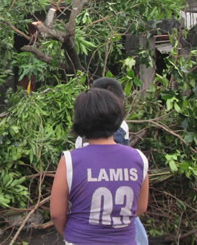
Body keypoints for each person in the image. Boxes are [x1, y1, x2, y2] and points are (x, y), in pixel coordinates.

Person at [51, 88, 150, 244]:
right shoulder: (138, 158)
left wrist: (71, 234)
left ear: (80, 121)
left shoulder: (70, 160)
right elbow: (141, 207)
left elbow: (57, 214)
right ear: (117, 119)